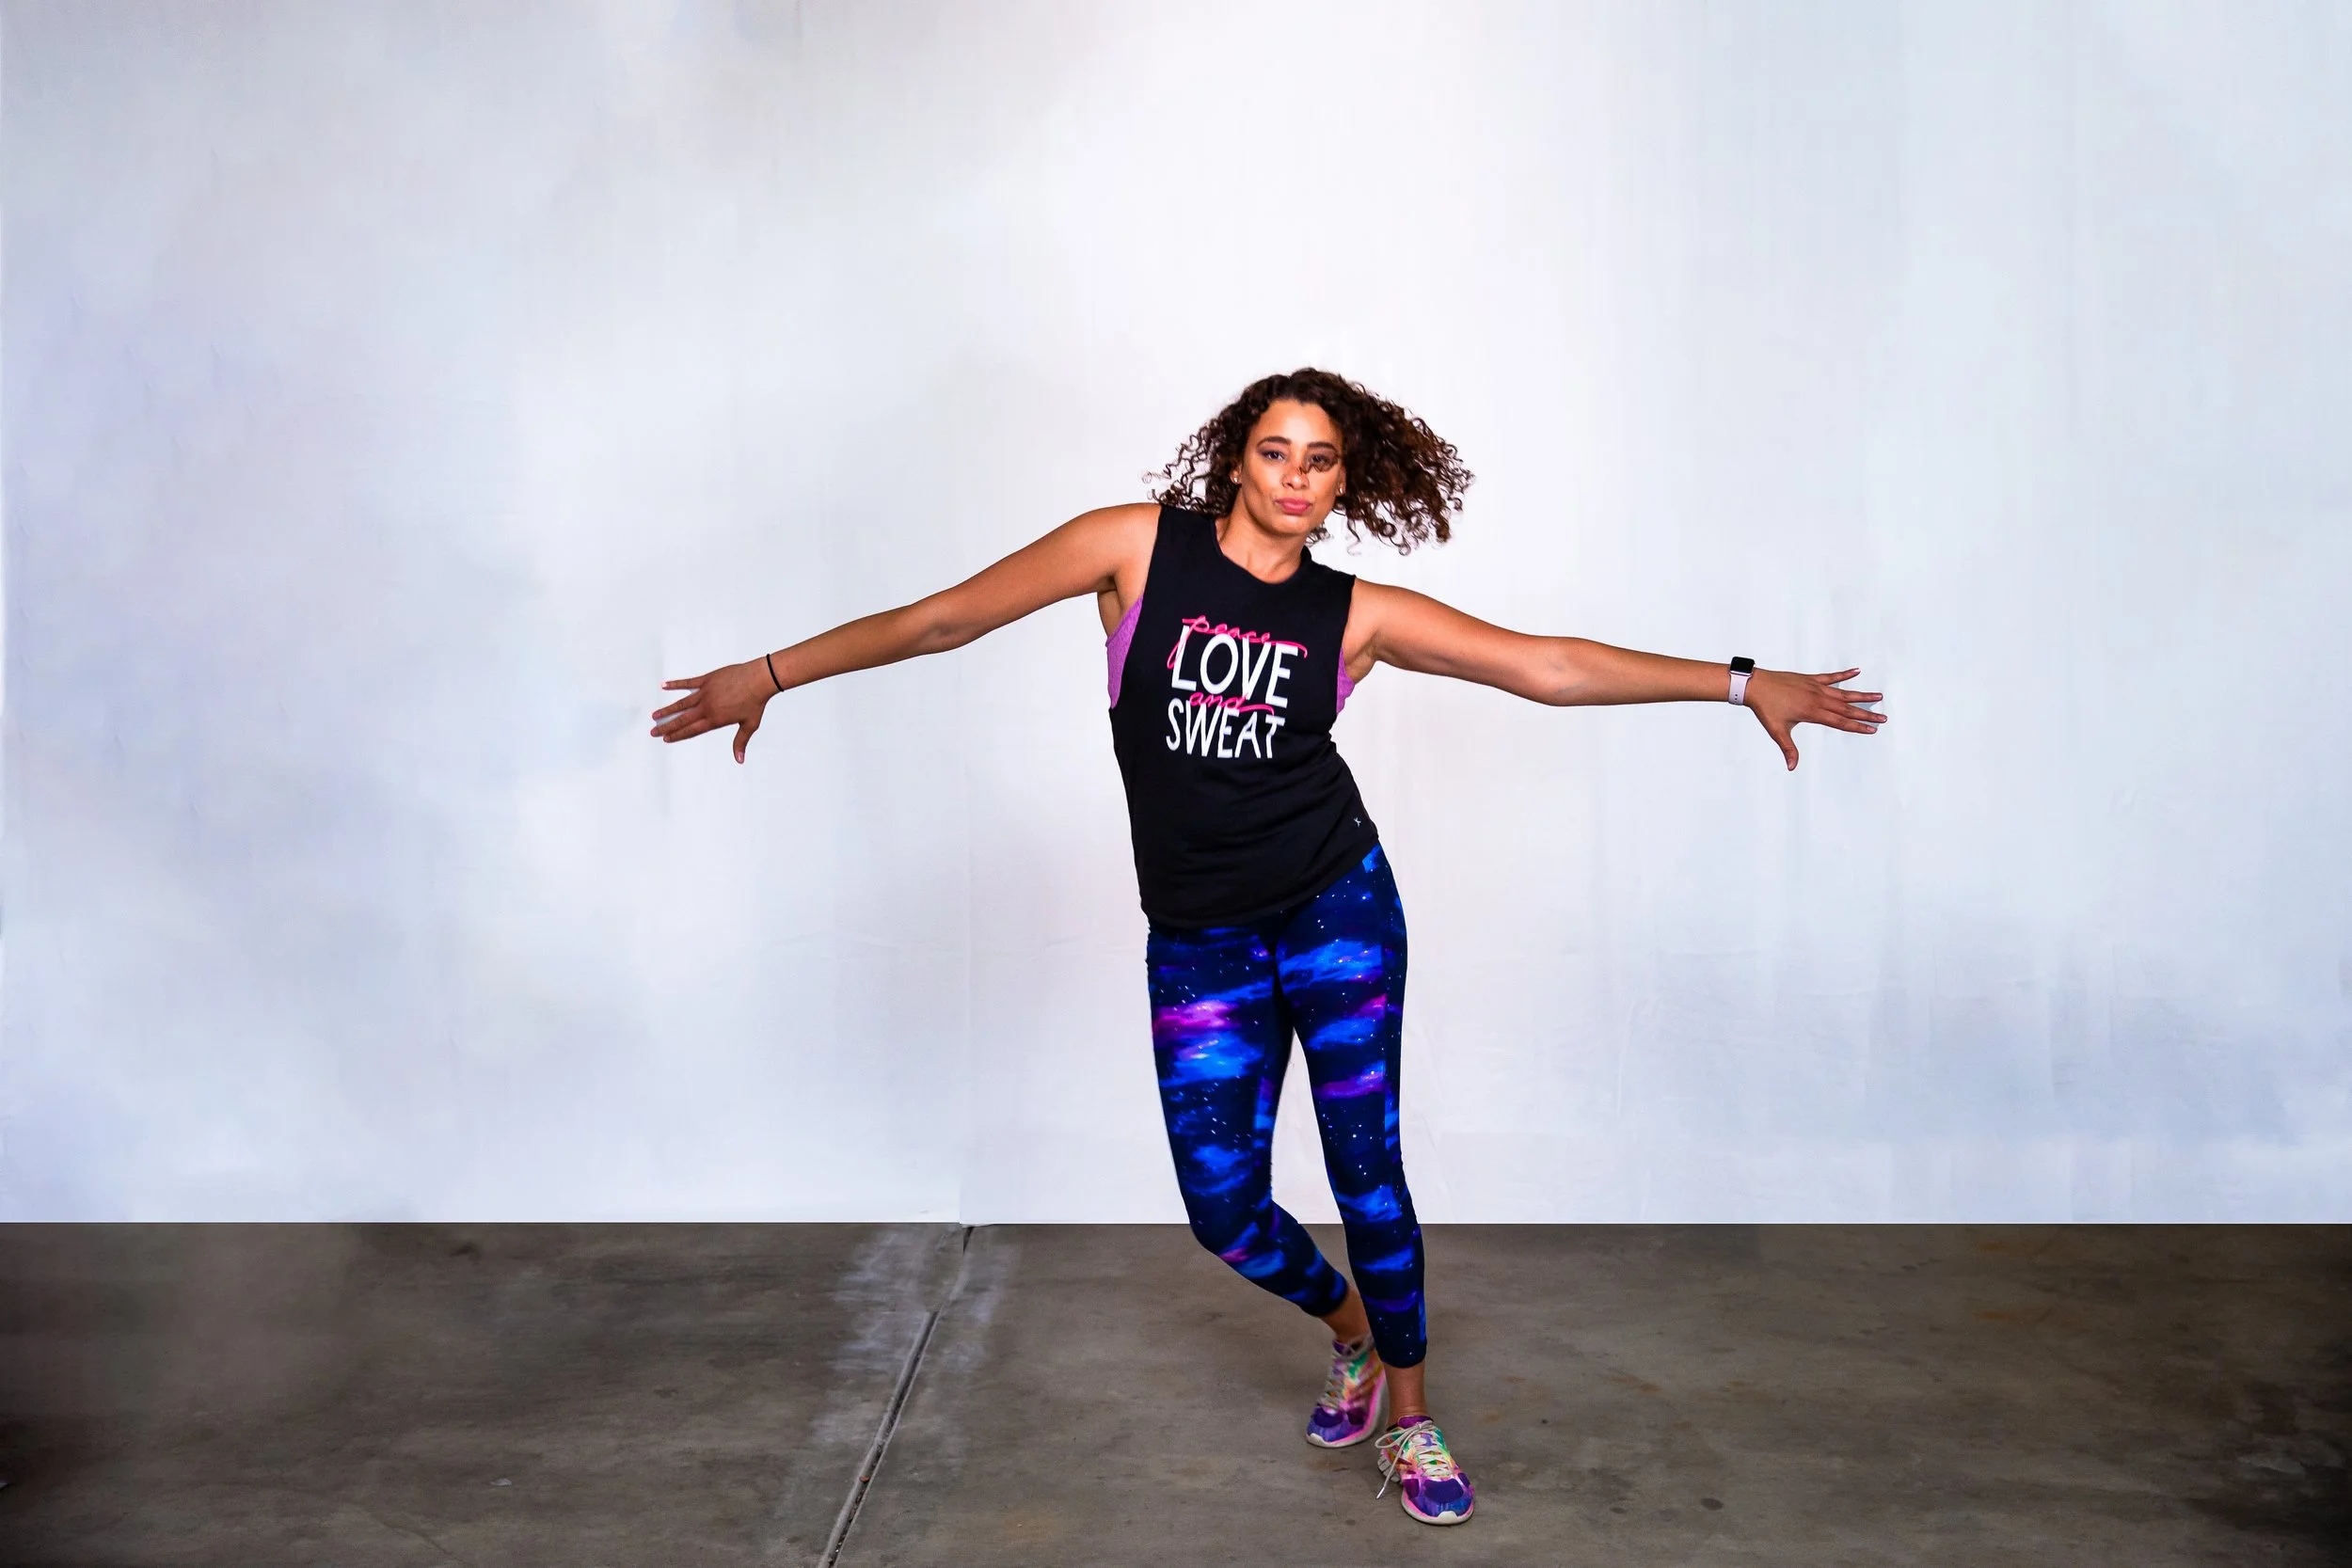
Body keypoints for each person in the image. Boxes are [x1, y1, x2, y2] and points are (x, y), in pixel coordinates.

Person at [649, 368, 1885, 1527]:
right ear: (1234, 462)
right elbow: (936, 623)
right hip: (1201, 943)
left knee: (1368, 1173)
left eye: (1322, 462)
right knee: (1223, 1204)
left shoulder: (1355, 614)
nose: (1296, 477)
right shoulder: (1134, 551)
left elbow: (1546, 668)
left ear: (1342, 485)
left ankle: (1411, 1410)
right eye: (1275, 452)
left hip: (1336, 909)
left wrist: (1740, 683)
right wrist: (769, 673)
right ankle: (1351, 1325)